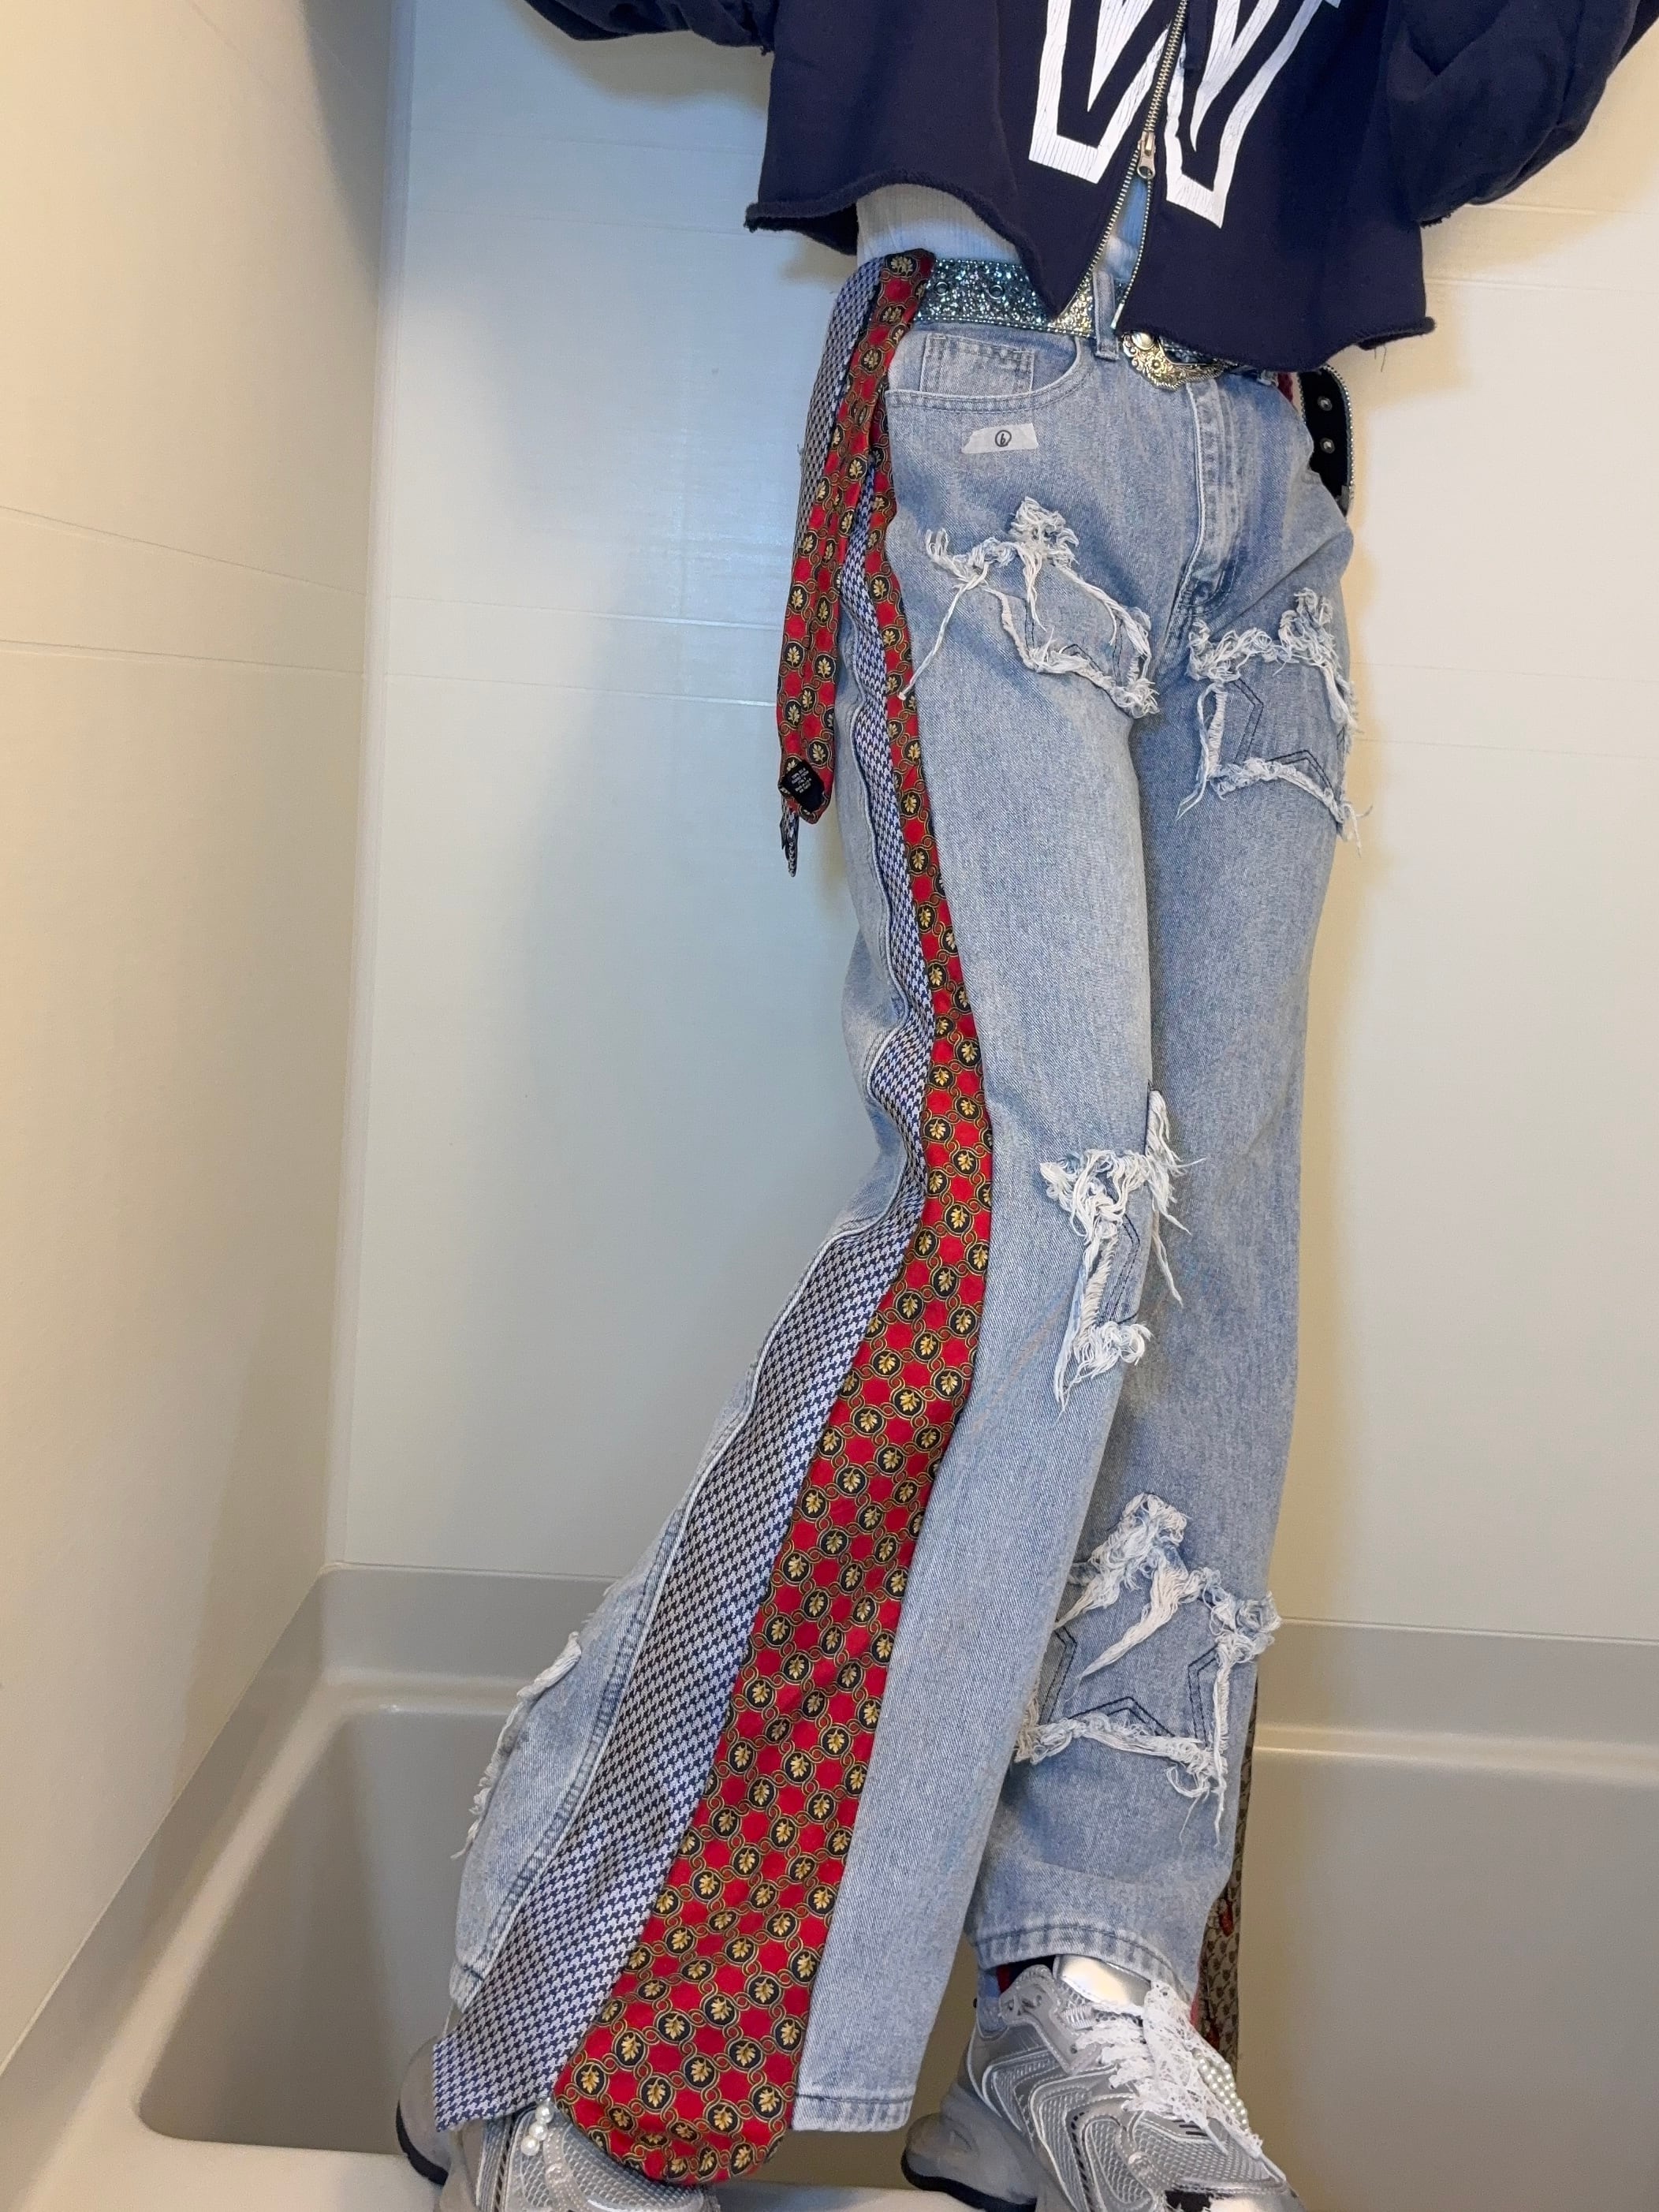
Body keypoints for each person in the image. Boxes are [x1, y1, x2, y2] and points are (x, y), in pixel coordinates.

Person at [394, 6, 1654, 2210]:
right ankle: (557, 2014)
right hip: (991, 384)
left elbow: (1457, 94)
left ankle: (1087, 1982)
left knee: (1210, 1260)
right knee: (1030, 1218)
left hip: (1262, 460)